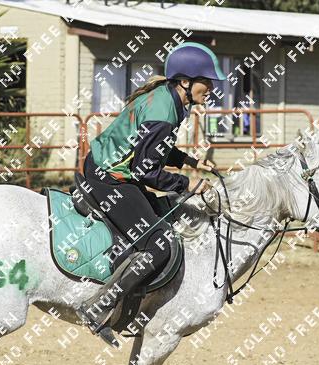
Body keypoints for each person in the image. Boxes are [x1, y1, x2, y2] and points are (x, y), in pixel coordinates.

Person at [75, 42, 227, 346]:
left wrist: (190, 161)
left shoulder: (166, 99)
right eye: (206, 81)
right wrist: (188, 184)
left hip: (106, 169)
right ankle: (98, 306)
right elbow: (146, 170)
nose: (211, 88)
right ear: (185, 82)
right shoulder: (164, 111)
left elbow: (154, 148)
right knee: (159, 244)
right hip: (109, 179)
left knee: (163, 211)